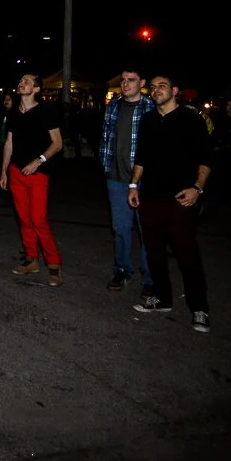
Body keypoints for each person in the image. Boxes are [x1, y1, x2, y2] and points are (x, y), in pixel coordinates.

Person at [128, 73, 214, 333]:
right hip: (151, 196)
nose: (156, 90)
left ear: (175, 90)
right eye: (153, 87)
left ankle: (199, 308)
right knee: (154, 252)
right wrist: (133, 186)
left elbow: (206, 158)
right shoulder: (148, 120)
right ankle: (162, 299)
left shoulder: (192, 119)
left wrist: (197, 189)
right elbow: (141, 157)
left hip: (181, 198)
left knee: (187, 253)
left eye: (162, 86)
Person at [0, 73, 65, 287]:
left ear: (36, 89)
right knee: (24, 219)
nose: (21, 83)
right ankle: (31, 260)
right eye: (20, 80)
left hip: (38, 173)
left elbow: (57, 143)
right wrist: (4, 171)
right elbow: (9, 143)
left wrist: (39, 161)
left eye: (27, 81)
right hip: (16, 172)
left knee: (38, 220)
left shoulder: (46, 111)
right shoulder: (13, 113)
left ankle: (54, 264)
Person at [99, 69, 156, 295]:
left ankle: (150, 278)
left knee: (147, 230)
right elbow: (106, 137)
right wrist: (105, 166)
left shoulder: (151, 106)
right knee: (120, 228)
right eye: (122, 80)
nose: (125, 84)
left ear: (142, 82)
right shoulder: (113, 106)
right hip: (116, 177)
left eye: (130, 80)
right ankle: (122, 270)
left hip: (144, 180)